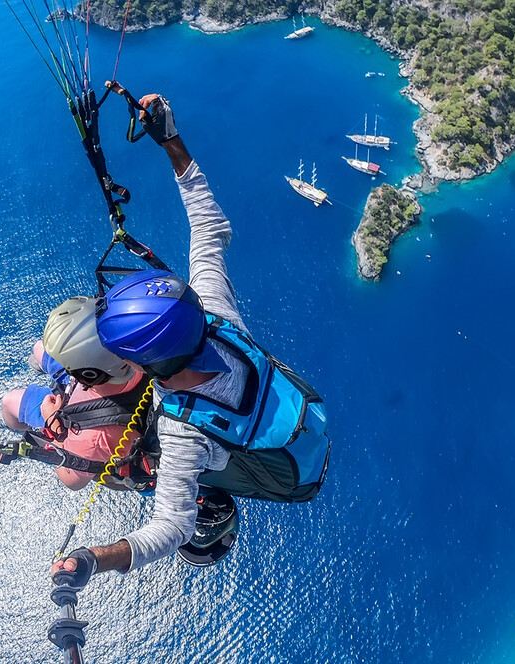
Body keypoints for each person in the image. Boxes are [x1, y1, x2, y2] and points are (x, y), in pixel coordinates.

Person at [52, 89, 331, 589]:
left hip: (242, 458)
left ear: (147, 365)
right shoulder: (216, 317)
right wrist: (171, 141)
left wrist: (95, 558)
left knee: (94, 472)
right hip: (274, 423)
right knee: (81, 469)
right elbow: (207, 227)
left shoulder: (185, 436)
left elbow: (171, 529)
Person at [0, 297, 149, 490]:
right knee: (41, 348)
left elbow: (71, 480)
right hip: (103, 381)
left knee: (10, 401)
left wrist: (53, 423)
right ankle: (50, 360)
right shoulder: (143, 348)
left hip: (85, 417)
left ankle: (12, 423)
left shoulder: (93, 439)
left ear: (82, 373)